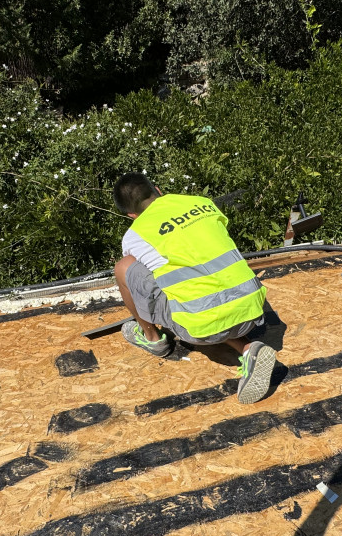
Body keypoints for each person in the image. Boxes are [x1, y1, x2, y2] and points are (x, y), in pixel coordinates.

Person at [112, 172, 276, 404]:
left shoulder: (135, 234)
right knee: (204, 295)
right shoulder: (201, 203)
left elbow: (140, 274)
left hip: (203, 329)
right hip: (252, 311)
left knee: (124, 267)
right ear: (158, 190)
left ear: (131, 215)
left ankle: (152, 339)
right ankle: (249, 349)